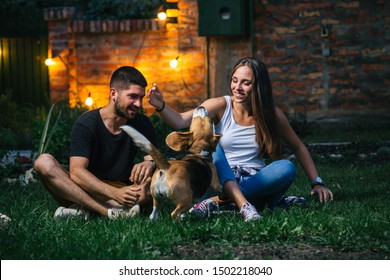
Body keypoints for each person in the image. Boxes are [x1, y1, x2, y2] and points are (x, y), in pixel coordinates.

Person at [147, 57, 333, 222]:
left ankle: (219, 204)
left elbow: (298, 147)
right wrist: (160, 105)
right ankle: (247, 204)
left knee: (286, 168)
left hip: (255, 180)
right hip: (219, 182)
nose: (237, 87)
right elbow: (180, 120)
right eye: (234, 81)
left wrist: (316, 182)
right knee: (215, 146)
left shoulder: (272, 115)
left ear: (259, 87)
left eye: (246, 83)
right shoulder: (221, 105)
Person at [34, 66, 157, 220]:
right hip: (88, 188)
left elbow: (155, 163)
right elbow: (77, 172)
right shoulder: (87, 123)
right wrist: (114, 194)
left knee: (153, 183)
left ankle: (83, 210)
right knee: (43, 162)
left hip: (126, 190)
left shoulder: (142, 123)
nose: (138, 104)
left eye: (141, 97)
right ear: (113, 93)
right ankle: (108, 212)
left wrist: (149, 163)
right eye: (132, 96)